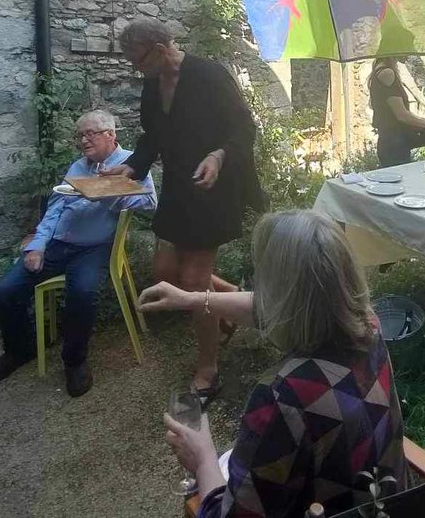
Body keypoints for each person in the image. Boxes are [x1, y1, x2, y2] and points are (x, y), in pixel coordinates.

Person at [141, 210, 407, 517]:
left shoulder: (287, 395)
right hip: (387, 500)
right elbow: (273, 307)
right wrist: (193, 299)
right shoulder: (369, 326)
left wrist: (202, 458)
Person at [101, 18, 264, 405]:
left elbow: (244, 129)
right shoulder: (152, 84)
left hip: (213, 187)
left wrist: (218, 156)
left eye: (137, 60)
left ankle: (208, 369)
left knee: (192, 281)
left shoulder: (209, 75)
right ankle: (233, 301)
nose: (134, 69)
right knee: (165, 272)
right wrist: (133, 166)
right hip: (178, 187)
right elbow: (152, 135)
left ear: (159, 50)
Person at [0, 109, 156, 397]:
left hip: (95, 247)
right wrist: (38, 244)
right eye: (80, 136)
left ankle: (74, 361)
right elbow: (54, 210)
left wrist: (112, 189)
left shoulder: (131, 164)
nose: (83, 141)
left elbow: (150, 204)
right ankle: (19, 349)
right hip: (58, 244)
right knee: (2, 292)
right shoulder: (77, 167)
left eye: (90, 134)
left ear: (110, 134)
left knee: (83, 292)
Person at [369, 57, 425, 167]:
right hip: (394, 142)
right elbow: (402, 115)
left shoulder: (383, 69)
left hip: (395, 139)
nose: (409, 54)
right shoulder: (387, 73)